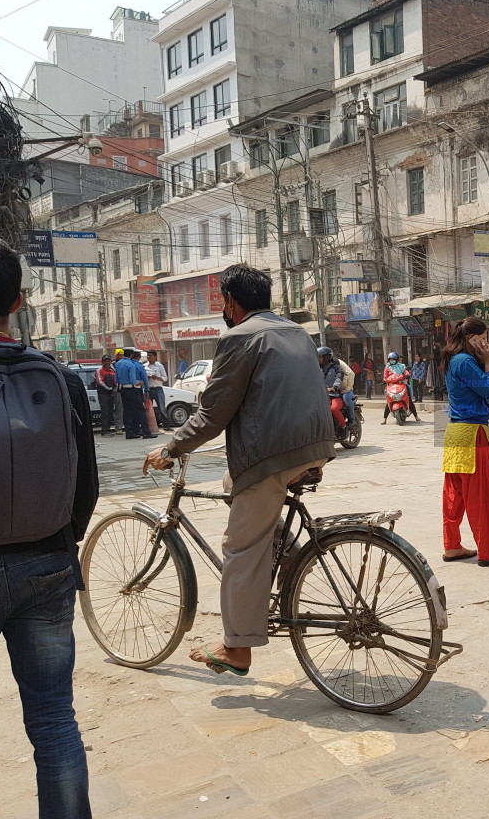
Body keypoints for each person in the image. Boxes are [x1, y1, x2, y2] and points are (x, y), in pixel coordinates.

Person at [143, 264, 335, 677]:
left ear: (230, 301)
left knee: (240, 548)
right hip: (317, 446)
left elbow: (212, 415)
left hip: (272, 454)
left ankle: (236, 649)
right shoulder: (297, 332)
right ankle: (288, 553)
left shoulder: (238, 337)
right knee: (236, 484)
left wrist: (171, 448)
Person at [0, 232, 99, 818]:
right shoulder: (61, 377)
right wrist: (58, 545)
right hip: (48, 567)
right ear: (19, 302)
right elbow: (87, 486)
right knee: (55, 721)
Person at [440, 318, 489, 566]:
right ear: (472, 338)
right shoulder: (465, 361)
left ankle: (453, 546)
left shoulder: (454, 359)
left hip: (455, 433)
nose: (486, 343)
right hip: (472, 433)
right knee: (480, 496)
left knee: (454, 495)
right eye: (483, 338)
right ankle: (487, 551)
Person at [115, 347, 152, 440]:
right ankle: (146, 432)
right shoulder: (131, 364)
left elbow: (116, 379)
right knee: (140, 410)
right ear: (131, 355)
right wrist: (139, 382)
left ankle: (129, 433)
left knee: (127, 411)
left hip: (122, 389)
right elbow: (133, 380)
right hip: (132, 389)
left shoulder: (118, 363)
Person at [318, 346, 352, 433]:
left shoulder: (336, 368)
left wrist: (334, 388)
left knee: (334, 409)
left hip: (334, 395)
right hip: (322, 396)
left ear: (326, 357)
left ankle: (344, 427)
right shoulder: (318, 369)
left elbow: (339, 378)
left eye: (320, 357)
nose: (318, 359)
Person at [381, 351, 420, 424]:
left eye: (393, 359)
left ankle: (416, 416)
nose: (392, 361)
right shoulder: (387, 367)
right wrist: (384, 381)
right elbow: (385, 376)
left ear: (396, 359)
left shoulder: (401, 366)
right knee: (389, 400)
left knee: (409, 399)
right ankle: (385, 419)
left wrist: (407, 375)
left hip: (401, 384)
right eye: (390, 359)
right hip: (391, 385)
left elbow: (405, 372)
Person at [145, 350, 173, 431]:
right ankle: (149, 426)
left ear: (155, 356)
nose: (148, 357)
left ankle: (166, 425)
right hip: (149, 389)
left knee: (162, 408)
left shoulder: (159, 366)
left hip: (158, 389)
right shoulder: (144, 366)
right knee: (148, 408)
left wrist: (156, 377)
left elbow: (165, 378)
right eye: (147, 355)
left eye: (150, 355)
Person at [95, 354, 118, 435]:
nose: (107, 362)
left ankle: (108, 429)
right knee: (105, 412)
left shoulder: (113, 371)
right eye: (105, 361)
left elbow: (116, 381)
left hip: (111, 394)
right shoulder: (99, 371)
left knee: (110, 412)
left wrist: (115, 388)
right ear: (102, 362)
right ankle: (104, 430)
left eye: (109, 361)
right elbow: (100, 382)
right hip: (103, 394)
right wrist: (110, 389)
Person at [111, 348, 125, 433]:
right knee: (119, 409)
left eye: (121, 355)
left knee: (127, 408)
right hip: (117, 390)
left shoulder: (125, 364)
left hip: (126, 388)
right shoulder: (112, 366)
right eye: (118, 355)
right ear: (115, 355)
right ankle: (118, 427)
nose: (120, 356)